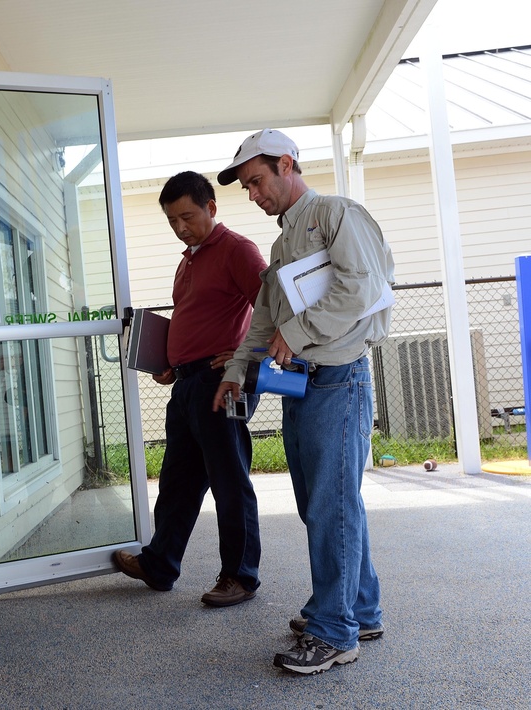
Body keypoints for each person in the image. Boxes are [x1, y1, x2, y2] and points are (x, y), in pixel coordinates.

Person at [214, 129, 394, 674]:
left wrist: (299, 331)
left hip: (340, 379)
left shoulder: (339, 214)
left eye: (257, 181)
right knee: (327, 503)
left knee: (330, 505)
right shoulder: (281, 243)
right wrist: (235, 371)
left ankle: (334, 632)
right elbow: (264, 320)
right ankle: (358, 610)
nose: (253, 194)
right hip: (302, 385)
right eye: (247, 187)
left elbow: (362, 287)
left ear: (287, 164)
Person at [113, 171, 266, 607]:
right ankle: (160, 564)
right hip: (186, 382)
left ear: (211, 208)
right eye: (171, 220)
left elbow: (271, 307)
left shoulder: (237, 249)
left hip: (221, 384)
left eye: (187, 216)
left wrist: (243, 356)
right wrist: (170, 363)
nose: (180, 227)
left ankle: (240, 577)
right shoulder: (190, 259)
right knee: (178, 480)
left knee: (229, 481)